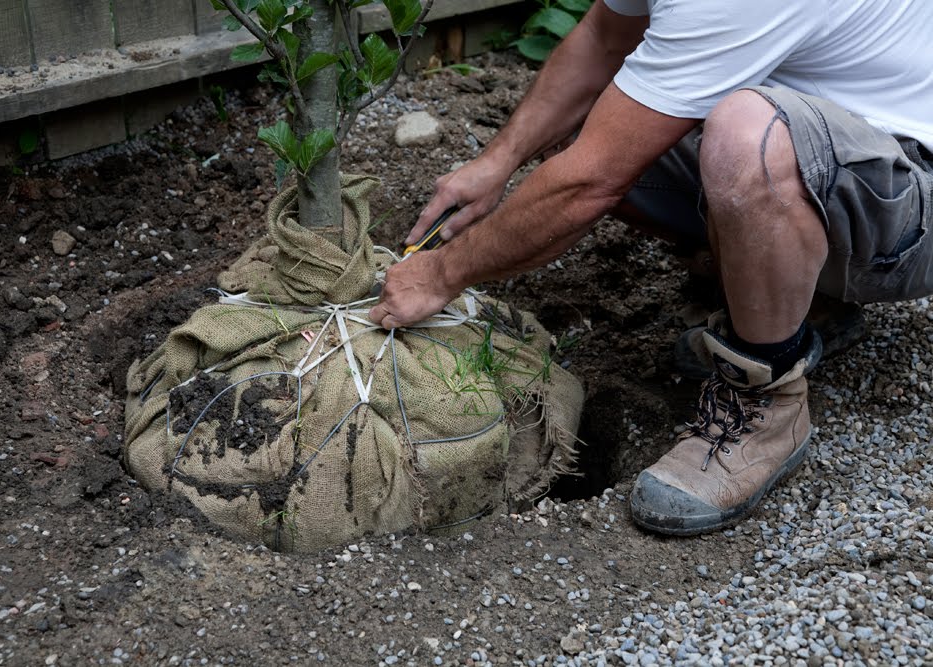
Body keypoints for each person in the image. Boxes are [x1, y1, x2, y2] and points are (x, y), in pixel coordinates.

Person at [368, 0, 933, 535]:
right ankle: (798, 299)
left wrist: (441, 275)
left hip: (908, 198)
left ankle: (765, 399)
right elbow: (602, 39)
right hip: (834, 160)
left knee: (745, 134)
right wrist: (498, 161)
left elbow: (590, 181)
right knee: (598, 117)